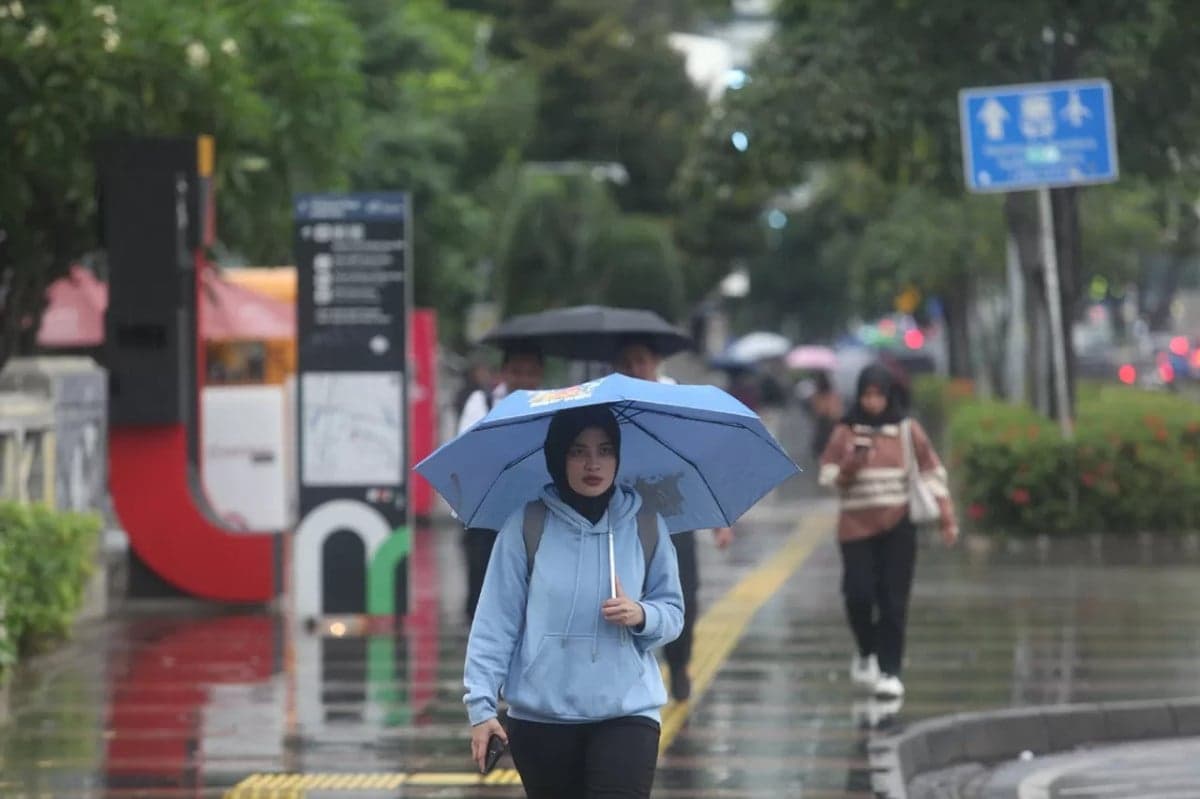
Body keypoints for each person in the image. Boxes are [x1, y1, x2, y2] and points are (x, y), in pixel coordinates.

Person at [464, 405, 684, 798]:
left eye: (605, 450)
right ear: (557, 457)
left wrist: (642, 615)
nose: (593, 463)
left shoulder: (646, 525)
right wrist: (481, 708)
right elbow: (494, 625)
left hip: (627, 712)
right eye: (578, 451)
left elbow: (673, 612)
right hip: (541, 717)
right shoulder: (527, 526)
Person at [818, 363, 959, 700]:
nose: (872, 402)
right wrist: (851, 464)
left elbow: (932, 472)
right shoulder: (845, 431)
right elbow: (827, 475)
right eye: (866, 395)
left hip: (898, 525)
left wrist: (947, 517)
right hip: (855, 528)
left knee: (893, 601)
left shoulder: (908, 430)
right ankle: (866, 649)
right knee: (858, 595)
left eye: (878, 395)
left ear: (889, 396)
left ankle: (890, 670)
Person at [614, 337, 733, 702]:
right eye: (628, 363)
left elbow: (703, 459)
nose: (636, 370)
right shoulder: (612, 400)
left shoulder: (679, 401)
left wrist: (720, 520)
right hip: (627, 515)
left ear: (657, 362)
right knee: (628, 593)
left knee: (681, 592)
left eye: (642, 361)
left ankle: (679, 664)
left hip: (674, 514)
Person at [459, 343, 545, 619]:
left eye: (531, 372)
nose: (524, 379)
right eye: (517, 371)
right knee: (483, 589)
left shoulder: (551, 406)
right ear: (504, 372)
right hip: (488, 514)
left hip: (534, 511)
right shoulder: (481, 403)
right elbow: (469, 449)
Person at [806, 370, 843, 461]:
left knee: (821, 439)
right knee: (830, 439)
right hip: (831, 420)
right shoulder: (832, 393)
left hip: (822, 420)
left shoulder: (816, 394)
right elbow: (837, 409)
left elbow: (815, 409)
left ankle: (822, 456)